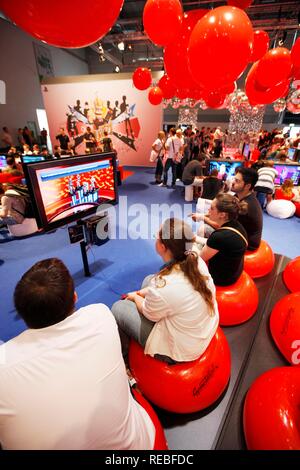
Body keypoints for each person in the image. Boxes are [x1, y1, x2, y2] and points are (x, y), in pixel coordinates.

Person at [0, 258, 156, 450]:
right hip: (139, 443)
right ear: (75, 297)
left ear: (23, 315)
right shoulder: (100, 315)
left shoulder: (4, 363)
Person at [111, 218, 219, 364]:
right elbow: (163, 289)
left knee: (119, 308)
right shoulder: (194, 257)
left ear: (163, 247)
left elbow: (150, 313)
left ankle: (125, 361)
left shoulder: (165, 286)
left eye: (157, 236)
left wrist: (135, 297)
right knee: (149, 280)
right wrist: (144, 293)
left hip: (182, 350)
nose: (155, 237)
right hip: (202, 328)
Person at [199, 193, 248, 286]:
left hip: (221, 279)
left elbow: (200, 258)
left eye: (212, 208)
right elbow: (218, 245)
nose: (208, 210)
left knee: (187, 252)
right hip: (236, 272)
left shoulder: (219, 236)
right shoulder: (237, 225)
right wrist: (195, 238)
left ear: (222, 215)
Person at [231, 167, 262, 251]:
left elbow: (226, 225)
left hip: (248, 243)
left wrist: (203, 217)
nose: (232, 183)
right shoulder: (238, 195)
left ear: (247, 186)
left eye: (237, 181)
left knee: (206, 229)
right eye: (234, 179)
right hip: (239, 233)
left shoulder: (247, 205)